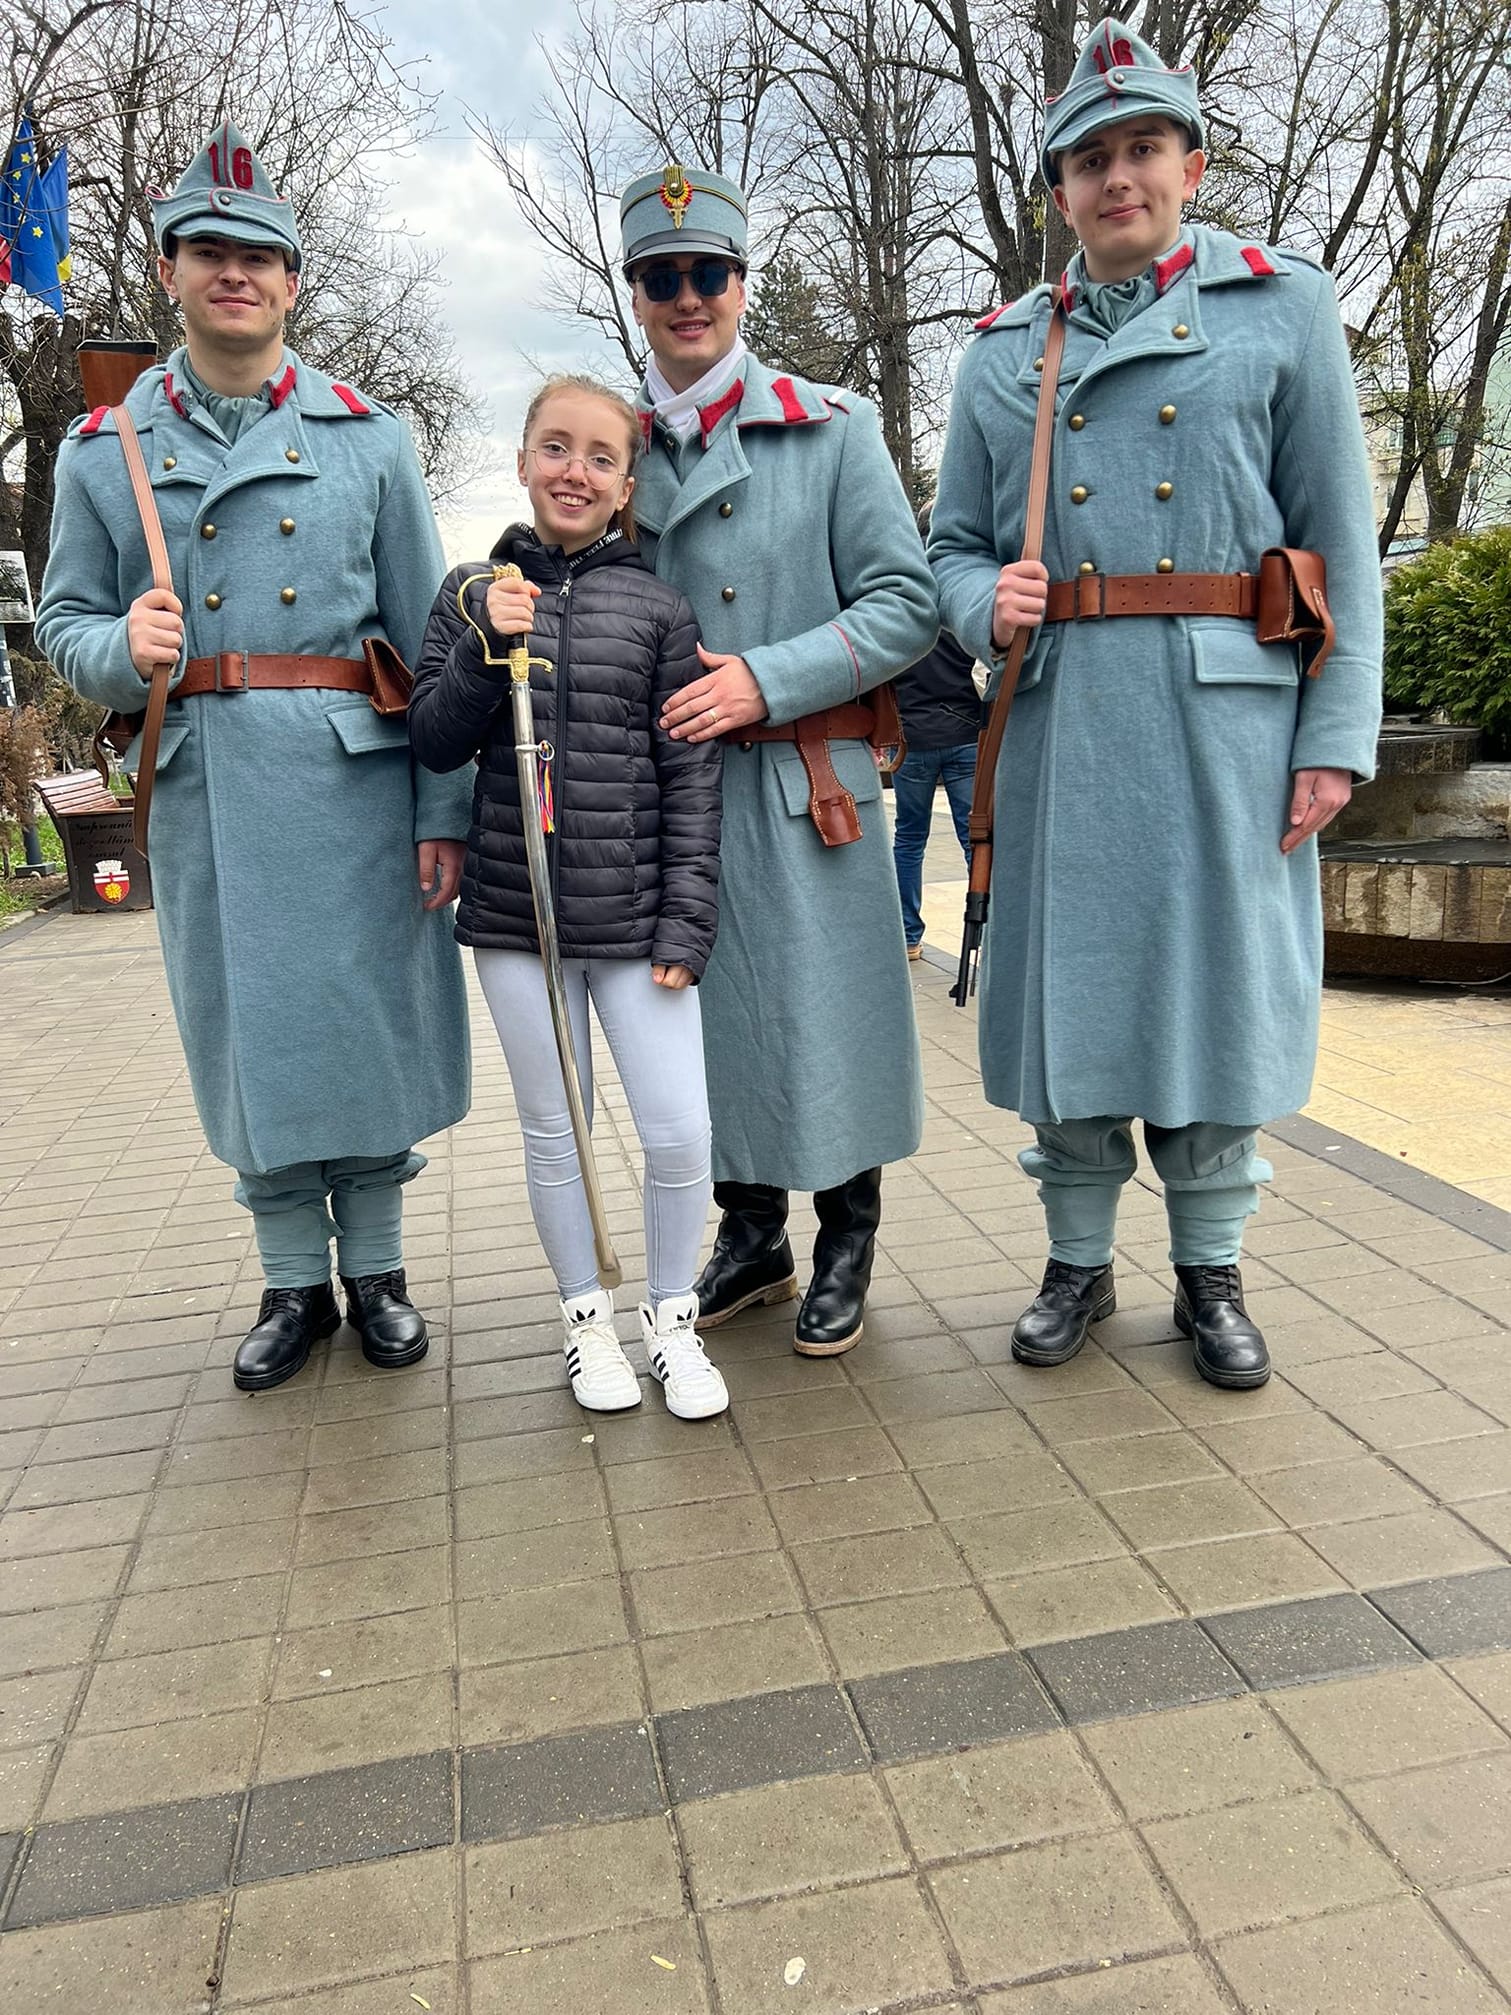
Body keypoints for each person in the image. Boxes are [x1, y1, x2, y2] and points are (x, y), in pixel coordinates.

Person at [929, 20, 1382, 1389]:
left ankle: (1209, 1271)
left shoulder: (1282, 306)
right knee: (1070, 1010)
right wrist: (982, 602)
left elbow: (1338, 540)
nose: (1115, 177)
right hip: (1063, 719)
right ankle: (1075, 1259)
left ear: (1188, 166)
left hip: (1225, 729)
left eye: (1140, 149)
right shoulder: (999, 352)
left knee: (1211, 1002)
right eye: (1087, 161)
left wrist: (1332, 740)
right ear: (1057, 193)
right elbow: (947, 545)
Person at [36, 122, 470, 1393]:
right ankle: (291, 1283)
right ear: (169, 268)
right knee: (243, 1030)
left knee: (363, 1024)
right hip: (211, 785)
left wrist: (441, 812)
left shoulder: (371, 437)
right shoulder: (103, 448)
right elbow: (63, 621)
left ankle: (377, 1270)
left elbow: (428, 645)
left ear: (290, 280)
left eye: (259, 256)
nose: (236, 274)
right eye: (209, 251)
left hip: (355, 783)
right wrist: (119, 645)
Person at [618, 163, 938, 1358]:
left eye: (707, 273)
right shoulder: (613, 448)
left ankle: (847, 1232)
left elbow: (906, 604)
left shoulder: (831, 427)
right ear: (637, 292)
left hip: (811, 782)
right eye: (662, 277)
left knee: (827, 1014)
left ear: (740, 284)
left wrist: (766, 675)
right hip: (674, 794)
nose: (686, 298)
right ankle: (750, 1234)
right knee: (701, 1023)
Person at [409, 376, 728, 1420]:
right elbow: (434, 739)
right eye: (555, 447)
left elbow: (690, 774)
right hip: (520, 918)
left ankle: (671, 1316)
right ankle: (586, 1316)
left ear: (627, 483)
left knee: (677, 1132)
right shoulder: (471, 591)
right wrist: (482, 645)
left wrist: (688, 915)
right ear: (521, 460)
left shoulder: (658, 607)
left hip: (637, 919)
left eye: (599, 456)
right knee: (558, 1130)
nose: (574, 472)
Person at [892, 505, 984, 960]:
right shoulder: (959, 592)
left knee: (910, 838)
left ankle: (909, 936)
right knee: (975, 840)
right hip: (964, 729)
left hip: (912, 736)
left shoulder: (902, 594)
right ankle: (987, 933)